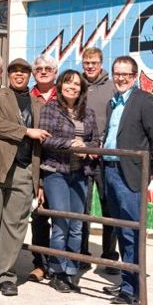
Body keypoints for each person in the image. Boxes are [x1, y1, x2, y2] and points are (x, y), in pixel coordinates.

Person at [0, 58, 50, 296]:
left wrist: (39, 181)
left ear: (30, 76)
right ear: (8, 75)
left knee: (15, 226)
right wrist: (26, 131)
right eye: (15, 72)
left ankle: (6, 275)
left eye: (24, 72)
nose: (19, 75)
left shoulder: (39, 104)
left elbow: (45, 142)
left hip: (25, 170)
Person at [102, 56, 153, 305]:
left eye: (126, 74)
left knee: (131, 230)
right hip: (109, 169)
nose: (120, 78)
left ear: (135, 75)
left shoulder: (144, 101)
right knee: (121, 229)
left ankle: (132, 289)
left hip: (129, 172)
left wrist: (150, 167)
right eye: (117, 73)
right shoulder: (112, 103)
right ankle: (126, 283)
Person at [39, 69, 100, 293]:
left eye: (77, 84)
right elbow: (45, 139)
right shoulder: (51, 108)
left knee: (76, 226)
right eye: (68, 83)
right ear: (60, 86)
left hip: (80, 173)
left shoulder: (88, 112)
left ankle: (72, 271)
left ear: (82, 89)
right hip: (56, 172)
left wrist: (89, 150)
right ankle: (57, 271)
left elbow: (96, 140)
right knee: (61, 224)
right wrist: (70, 144)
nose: (72, 87)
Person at [80, 46, 119, 274]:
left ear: (101, 63)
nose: (90, 66)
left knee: (109, 206)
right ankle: (82, 253)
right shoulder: (78, 85)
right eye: (86, 63)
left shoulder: (112, 87)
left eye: (94, 62)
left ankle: (109, 255)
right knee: (82, 208)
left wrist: (103, 144)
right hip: (83, 157)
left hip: (106, 157)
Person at [28, 54, 58, 282]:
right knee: (39, 217)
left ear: (55, 72)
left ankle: (61, 264)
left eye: (48, 68)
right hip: (36, 164)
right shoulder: (28, 97)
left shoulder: (65, 95)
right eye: (39, 68)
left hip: (60, 167)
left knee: (63, 218)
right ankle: (40, 264)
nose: (43, 71)